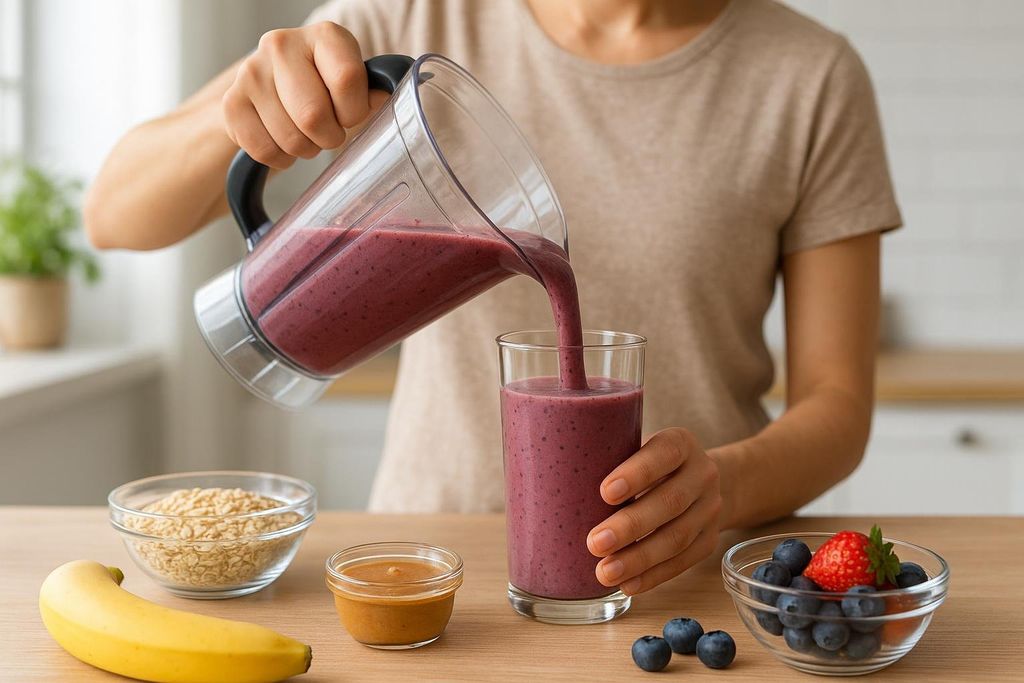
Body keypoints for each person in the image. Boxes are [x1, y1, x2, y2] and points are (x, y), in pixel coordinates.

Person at [85, 0, 901, 597]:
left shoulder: (811, 75)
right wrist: (251, 108)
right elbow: (114, 210)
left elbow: (836, 406)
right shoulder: (414, 19)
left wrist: (722, 485)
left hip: (676, 577)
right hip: (425, 570)